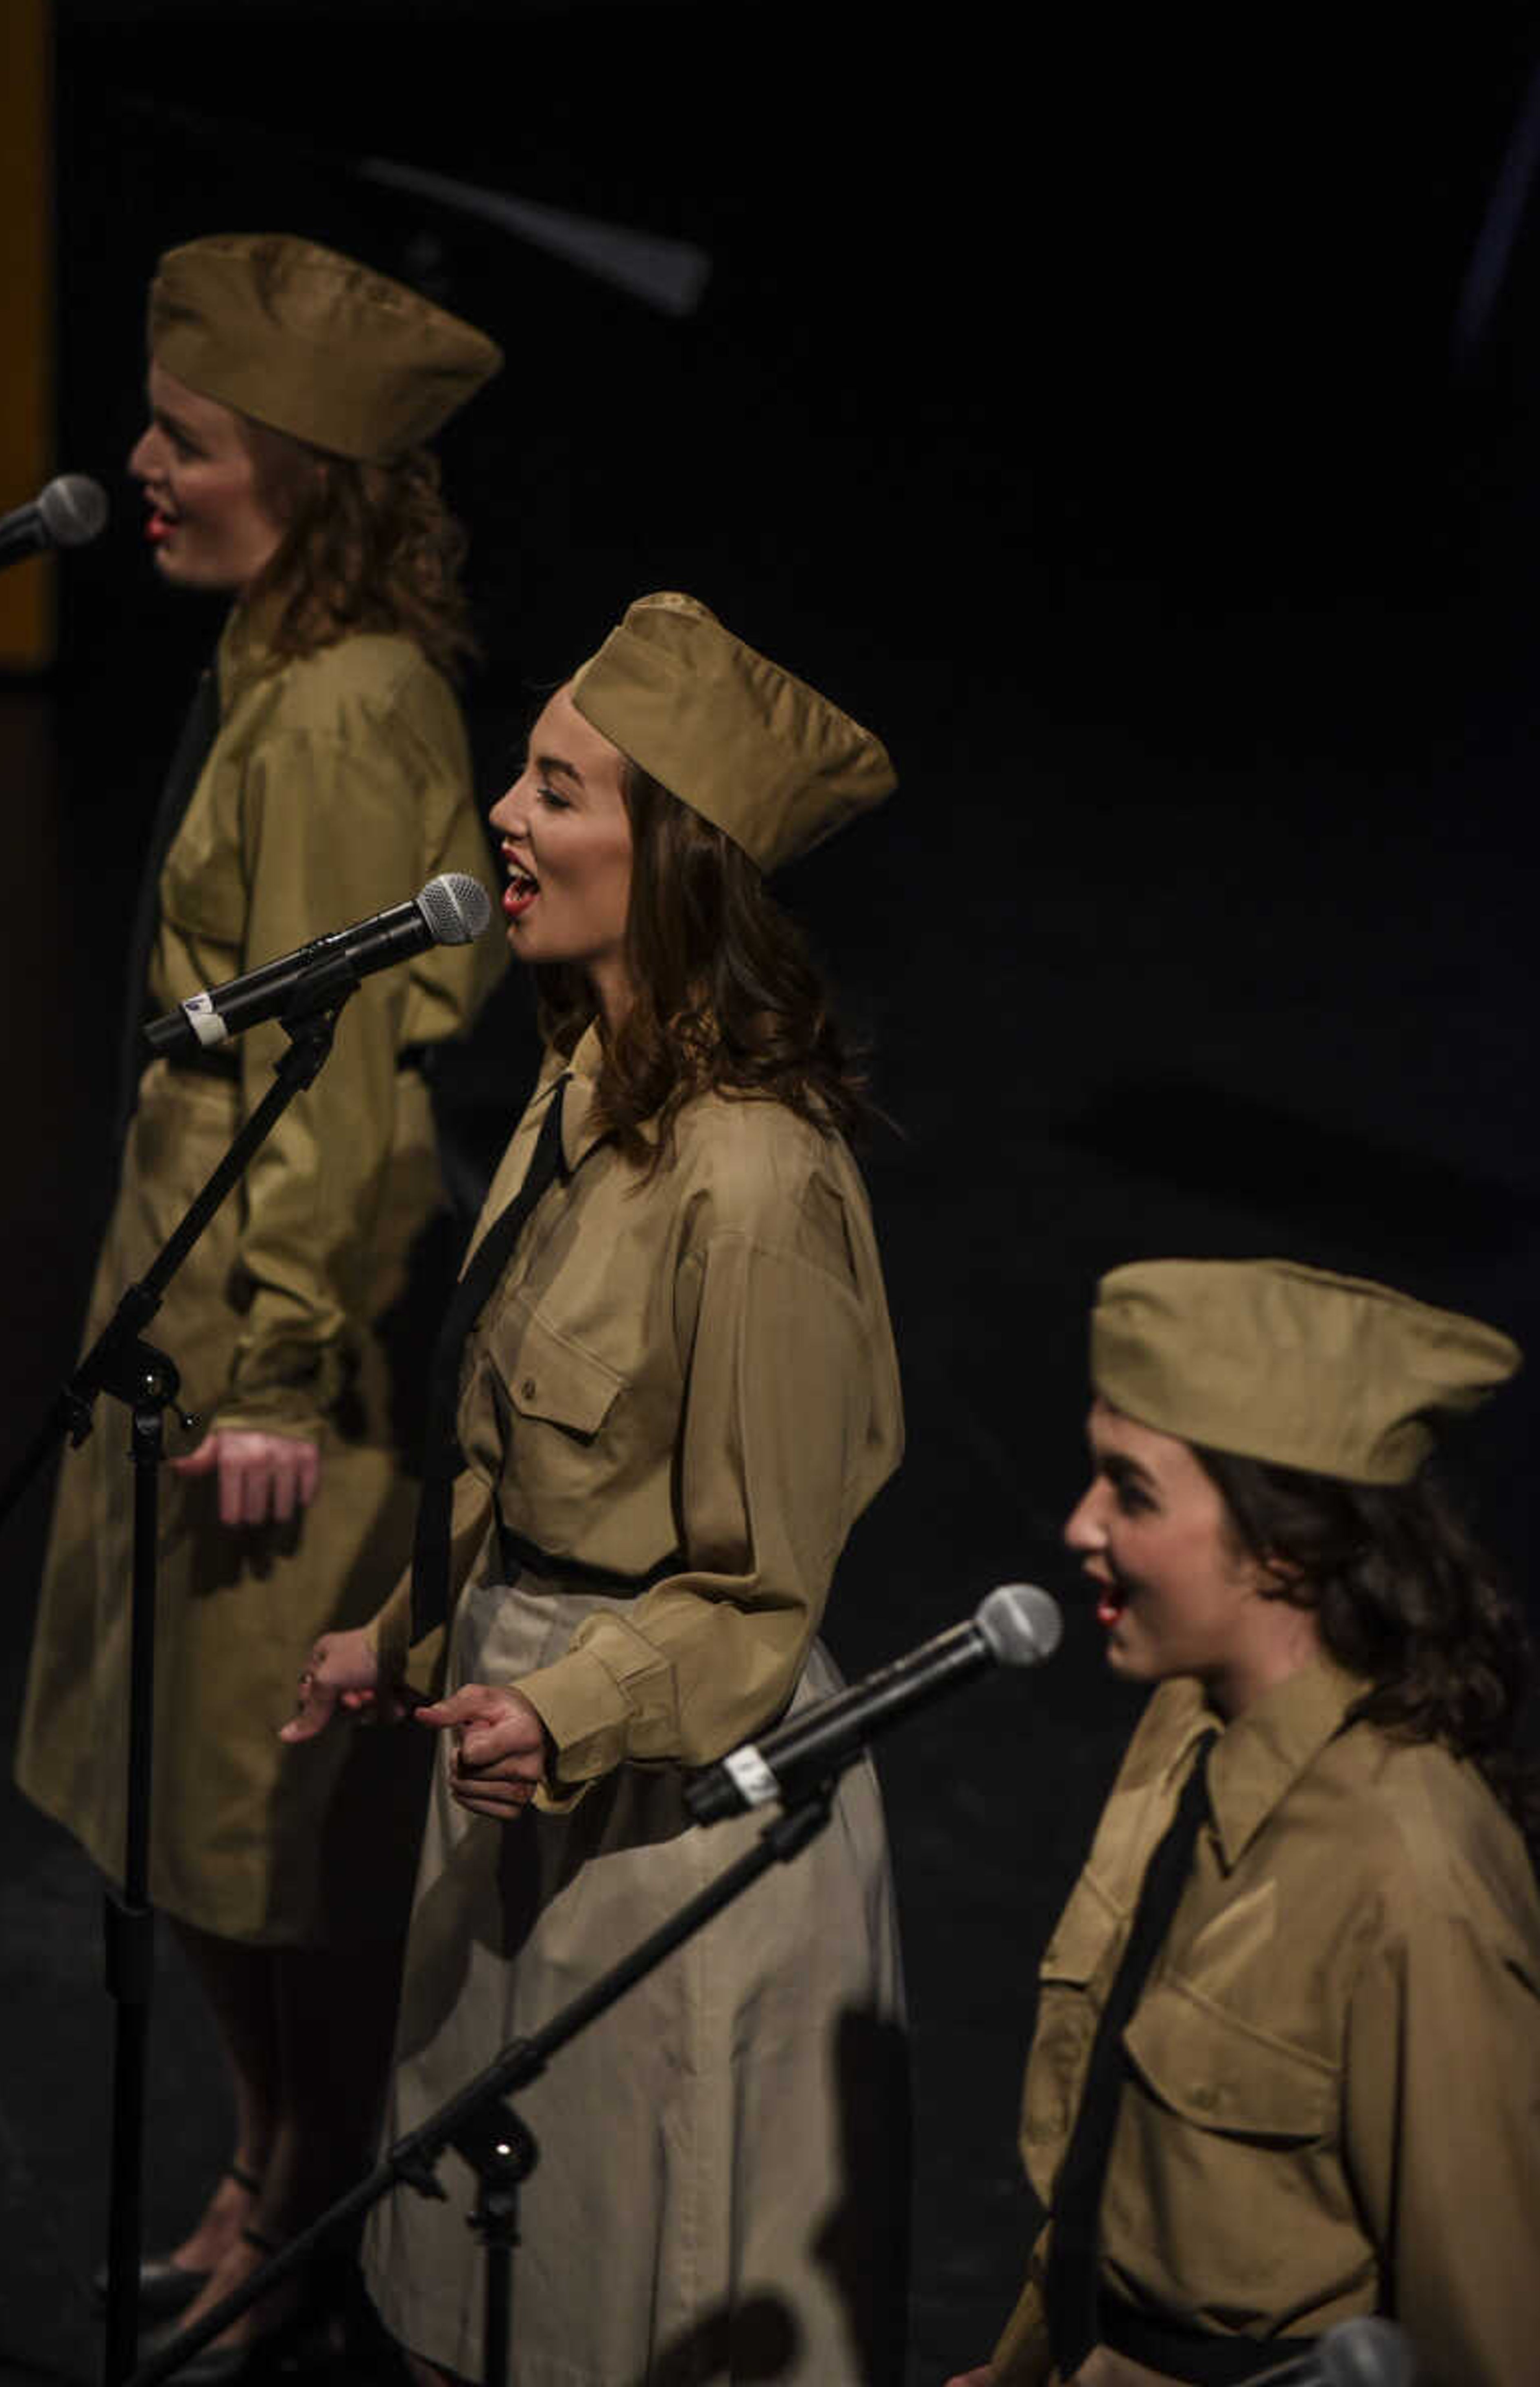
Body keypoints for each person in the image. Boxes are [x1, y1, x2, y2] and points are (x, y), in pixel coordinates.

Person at [286, 591, 910, 2386]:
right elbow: (512, 1452)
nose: (508, 815)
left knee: (621, 2295)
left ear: (676, 856)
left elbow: (758, 1595)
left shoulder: (754, 1182)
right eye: (525, 776)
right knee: (479, 2289)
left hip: (665, 1818)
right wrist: (404, 1634)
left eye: (560, 792)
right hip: (518, 1737)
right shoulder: (584, 1082)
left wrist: (560, 1706)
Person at [15, 234, 505, 2370]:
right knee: (174, 1806)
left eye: (185, 439)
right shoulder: (282, 670)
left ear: (303, 476)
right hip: (198, 1303)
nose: (138, 465)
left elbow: (358, 1086)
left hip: (278, 1353)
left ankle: (308, 2189)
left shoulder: (349, 709)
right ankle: (271, 2159)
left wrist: (284, 1365)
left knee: (254, 1822)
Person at [946, 1257, 1540, 2387]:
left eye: (1132, 1491)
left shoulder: (1417, 1880)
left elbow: (1490, 2343)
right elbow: (1109, 2182)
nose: (1078, 1526)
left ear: (1284, 1545)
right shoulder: (1184, 1735)